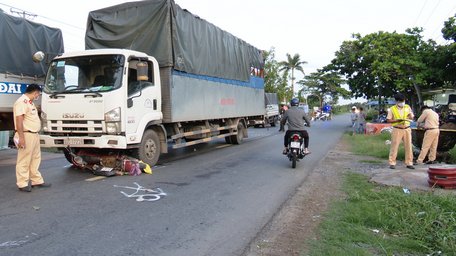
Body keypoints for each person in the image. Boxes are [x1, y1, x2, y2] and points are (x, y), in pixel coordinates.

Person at [13, 84, 51, 192]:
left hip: (33, 134)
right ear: (35, 92)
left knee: (35, 159)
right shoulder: (21, 102)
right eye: (38, 94)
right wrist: (21, 137)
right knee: (24, 160)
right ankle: (22, 183)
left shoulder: (29, 102)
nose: (37, 96)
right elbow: (19, 120)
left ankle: (36, 181)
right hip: (26, 134)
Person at [387, 93, 415, 170]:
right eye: (400, 101)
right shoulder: (392, 109)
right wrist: (396, 120)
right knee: (394, 146)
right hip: (397, 129)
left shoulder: (407, 107)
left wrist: (410, 116)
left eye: (403, 101)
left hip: (407, 128)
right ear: (396, 101)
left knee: (409, 146)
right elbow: (388, 120)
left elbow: (411, 116)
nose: (402, 102)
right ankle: (392, 162)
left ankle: (409, 163)